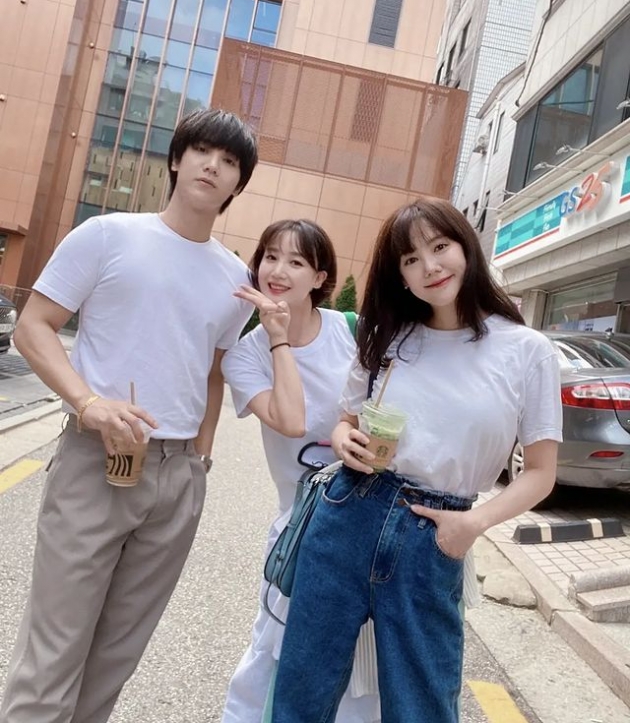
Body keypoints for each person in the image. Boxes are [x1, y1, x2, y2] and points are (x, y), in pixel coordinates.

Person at [0, 108, 258, 723]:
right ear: (176, 159)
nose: (212, 166)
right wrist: (88, 403)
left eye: (229, 162)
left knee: (115, 658)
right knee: (54, 654)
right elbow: (34, 328)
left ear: (237, 184)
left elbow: (213, 370)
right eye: (202, 151)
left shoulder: (235, 278)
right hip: (96, 460)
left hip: (177, 475)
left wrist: (201, 457)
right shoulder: (107, 235)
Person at [271, 198, 562, 723]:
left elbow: (541, 473)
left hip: (434, 534)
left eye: (440, 247)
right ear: (400, 276)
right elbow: (346, 421)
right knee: (301, 692)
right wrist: (343, 439)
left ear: (466, 248)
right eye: (410, 259)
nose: (429, 266)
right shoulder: (387, 336)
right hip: (349, 512)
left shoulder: (526, 350)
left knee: (422, 707)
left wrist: (472, 524)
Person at [221, 219, 380, 723]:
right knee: (275, 649)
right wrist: (278, 339)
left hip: (368, 519)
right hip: (300, 524)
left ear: (320, 277)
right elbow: (291, 421)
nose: (278, 270)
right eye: (270, 257)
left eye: (295, 261)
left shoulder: (354, 332)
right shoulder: (245, 356)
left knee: (362, 664)